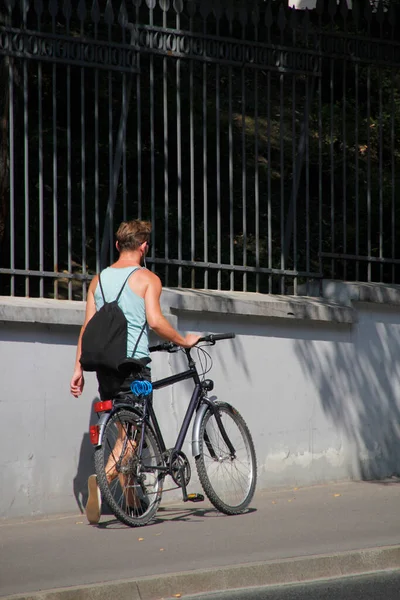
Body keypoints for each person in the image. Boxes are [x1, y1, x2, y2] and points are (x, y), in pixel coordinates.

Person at [70, 219, 200, 524]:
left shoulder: (98, 280)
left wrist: (78, 367)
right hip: (132, 364)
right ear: (144, 246)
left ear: (118, 245)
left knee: (124, 425)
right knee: (132, 434)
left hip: (103, 365)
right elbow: (155, 321)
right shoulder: (147, 279)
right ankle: (104, 478)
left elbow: (87, 328)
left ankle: (132, 500)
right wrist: (184, 341)